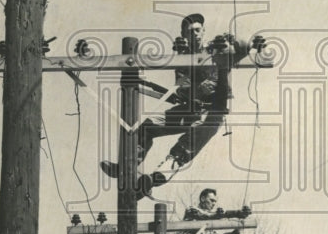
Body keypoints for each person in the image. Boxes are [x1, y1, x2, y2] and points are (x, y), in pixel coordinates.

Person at [100, 13, 256, 191]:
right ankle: (126, 167)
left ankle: (157, 177)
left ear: (203, 31)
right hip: (188, 108)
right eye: (189, 32)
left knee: (188, 143)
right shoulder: (181, 57)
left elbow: (244, 47)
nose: (194, 34)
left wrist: (236, 44)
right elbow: (182, 88)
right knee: (146, 127)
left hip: (212, 110)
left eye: (198, 30)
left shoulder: (215, 49)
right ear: (184, 35)